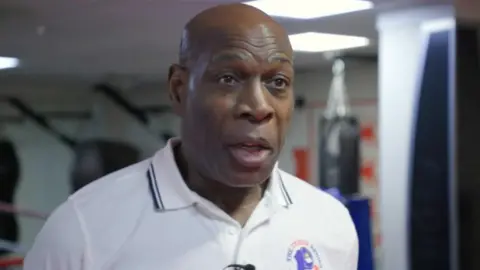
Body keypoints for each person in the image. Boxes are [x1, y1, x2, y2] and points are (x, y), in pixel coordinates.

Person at [24, 3, 358, 270]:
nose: (258, 107)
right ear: (179, 89)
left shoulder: (329, 222)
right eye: (228, 78)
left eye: (278, 83)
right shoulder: (81, 229)